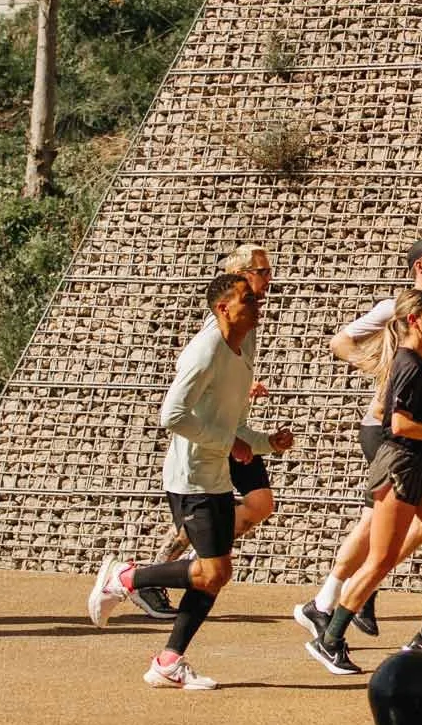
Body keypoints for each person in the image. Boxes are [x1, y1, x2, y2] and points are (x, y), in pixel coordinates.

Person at [86, 271, 291, 690]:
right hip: (190, 479)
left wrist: (265, 442)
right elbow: (172, 415)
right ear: (223, 309)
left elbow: (228, 424)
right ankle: (125, 580)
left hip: (212, 476)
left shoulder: (238, 352)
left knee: (216, 573)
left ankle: (168, 661)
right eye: (248, 299)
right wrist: (228, 443)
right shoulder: (205, 351)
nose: (257, 304)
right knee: (212, 571)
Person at [294, 237, 422, 646]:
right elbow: (339, 342)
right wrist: (383, 370)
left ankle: (346, 598)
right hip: (386, 430)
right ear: (420, 267)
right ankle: (330, 603)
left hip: (415, 433)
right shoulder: (395, 309)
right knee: (374, 527)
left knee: (411, 529)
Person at [128, 241, 275, 621]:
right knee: (224, 537)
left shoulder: (250, 318)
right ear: (240, 276)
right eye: (262, 272)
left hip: (234, 429)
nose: (269, 279)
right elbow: (192, 375)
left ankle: (188, 563)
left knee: (261, 505)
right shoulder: (222, 321)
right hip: (217, 437)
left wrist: (244, 388)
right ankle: (152, 576)